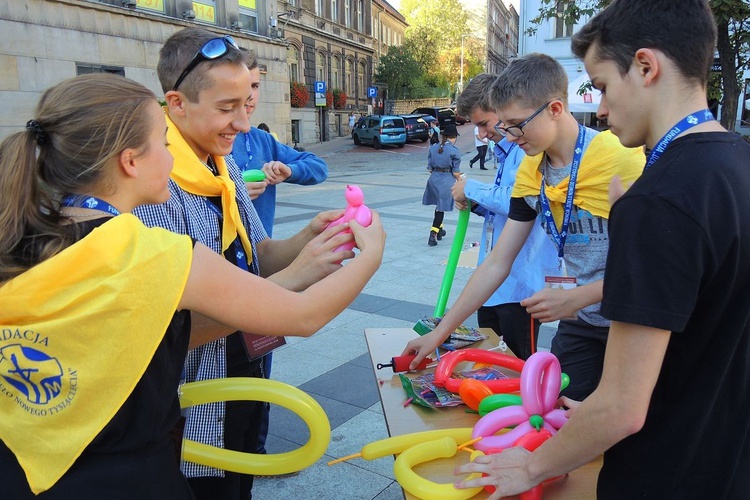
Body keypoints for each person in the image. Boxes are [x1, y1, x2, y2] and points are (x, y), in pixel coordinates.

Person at [0, 73, 385, 499]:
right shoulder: (149, 252)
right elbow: (305, 316)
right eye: (164, 144)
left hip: (27, 472)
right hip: (129, 479)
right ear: (131, 161)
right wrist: (371, 255)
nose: (172, 158)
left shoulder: (22, 237)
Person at [452, 0, 750, 497]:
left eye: (604, 86)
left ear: (646, 66)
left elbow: (622, 407)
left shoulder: (659, 196)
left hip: (665, 472)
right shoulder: (738, 162)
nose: (603, 109)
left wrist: (529, 468)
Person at [132, 27, 352, 499]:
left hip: (244, 366)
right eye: (227, 109)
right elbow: (169, 333)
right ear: (176, 104)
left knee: (240, 483)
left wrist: (312, 236)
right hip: (191, 400)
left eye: (246, 102)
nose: (244, 125)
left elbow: (258, 254)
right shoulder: (154, 188)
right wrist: (298, 278)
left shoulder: (221, 164)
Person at [404, 54, 645, 401]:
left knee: (621, 431)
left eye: (516, 124)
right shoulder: (532, 173)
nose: (510, 136)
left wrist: (577, 296)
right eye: (503, 125)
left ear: (555, 109)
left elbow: (649, 268)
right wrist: (441, 333)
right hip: (582, 322)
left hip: (632, 323)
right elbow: (498, 262)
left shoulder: (620, 161)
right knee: (555, 411)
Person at [230, 74, 328, 456]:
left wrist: (290, 170)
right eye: (235, 94)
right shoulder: (200, 152)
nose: (248, 98)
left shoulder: (260, 140)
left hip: (262, 264)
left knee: (258, 360)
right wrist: (233, 186)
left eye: (254, 86)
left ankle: (256, 449)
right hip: (221, 278)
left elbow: (316, 166)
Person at [453, 74, 558, 360]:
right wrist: (475, 203)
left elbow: (519, 199)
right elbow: (509, 210)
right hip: (495, 283)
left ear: (501, 110)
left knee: (519, 366)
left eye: (484, 124)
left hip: (519, 287)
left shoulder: (527, 151)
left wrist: (471, 187)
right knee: (490, 361)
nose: (484, 134)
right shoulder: (507, 151)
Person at [423, 123, 461, 247]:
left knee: (439, 206)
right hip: (446, 181)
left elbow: (429, 168)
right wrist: (460, 180)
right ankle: (433, 234)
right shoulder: (454, 151)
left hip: (433, 180)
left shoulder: (433, 147)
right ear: (454, 137)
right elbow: (455, 172)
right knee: (440, 208)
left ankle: (440, 231)